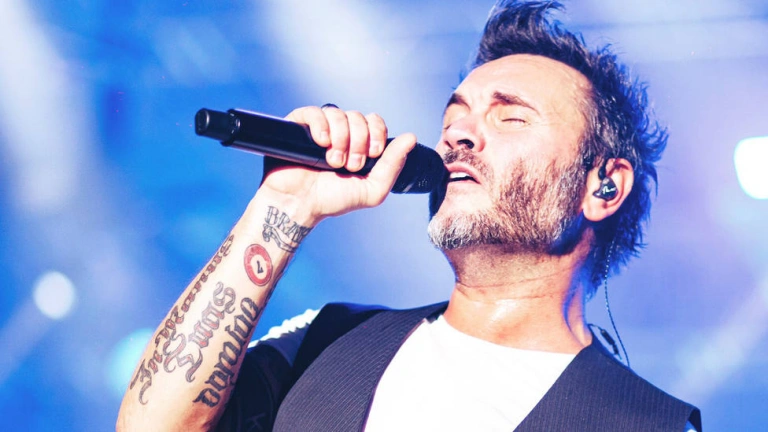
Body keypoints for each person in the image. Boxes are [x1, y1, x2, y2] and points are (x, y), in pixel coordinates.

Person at [117, 1, 702, 431]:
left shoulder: (646, 424)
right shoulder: (328, 343)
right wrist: (285, 203)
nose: (460, 135)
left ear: (604, 185)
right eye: (454, 118)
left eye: (510, 117)